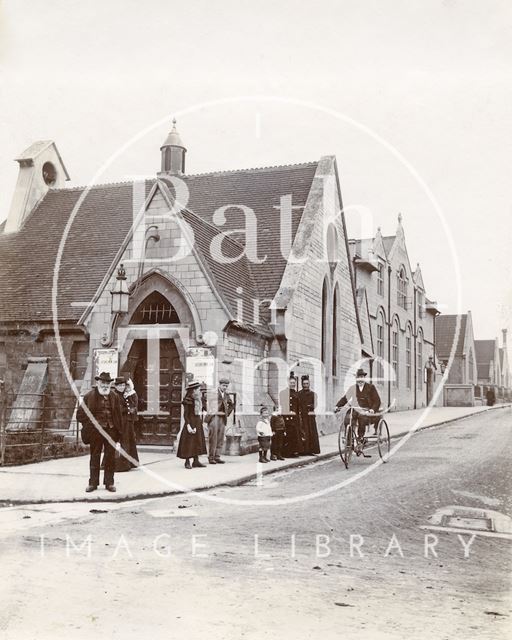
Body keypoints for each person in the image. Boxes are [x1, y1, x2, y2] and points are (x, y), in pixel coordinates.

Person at [77, 371, 123, 493]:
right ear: (98, 382)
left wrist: (119, 431)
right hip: (95, 432)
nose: (105, 385)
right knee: (95, 456)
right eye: (102, 382)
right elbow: (80, 415)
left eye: (107, 383)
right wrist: (90, 426)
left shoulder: (115, 397)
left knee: (110, 458)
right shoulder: (89, 396)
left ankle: (109, 483)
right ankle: (93, 483)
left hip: (111, 431)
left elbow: (118, 415)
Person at [335, 368, 381, 446]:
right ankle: (349, 440)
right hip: (355, 409)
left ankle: (360, 438)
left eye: (361, 378)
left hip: (366, 409)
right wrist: (337, 406)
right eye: (358, 378)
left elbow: (377, 401)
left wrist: (372, 409)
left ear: (364, 378)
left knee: (362, 417)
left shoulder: (370, 387)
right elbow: (345, 398)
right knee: (348, 418)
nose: (360, 380)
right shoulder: (353, 388)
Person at [177, 381, 207, 469]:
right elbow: (186, 415)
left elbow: (203, 408)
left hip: (197, 421)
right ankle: (187, 462)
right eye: (198, 389)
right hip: (190, 421)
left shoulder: (199, 399)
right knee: (189, 442)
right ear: (193, 390)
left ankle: (196, 461)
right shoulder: (188, 400)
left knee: (197, 441)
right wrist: (188, 425)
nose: (199, 391)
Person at [112, 377, 139, 472]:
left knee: (127, 441)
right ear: (116, 386)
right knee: (122, 442)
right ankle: (120, 465)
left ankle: (129, 463)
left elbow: (132, 402)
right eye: (120, 385)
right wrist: (128, 410)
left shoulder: (123, 394)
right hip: (119, 422)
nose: (122, 387)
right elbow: (116, 409)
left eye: (123, 385)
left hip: (126, 422)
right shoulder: (114, 395)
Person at [205, 377, 234, 464]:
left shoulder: (226, 394)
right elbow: (204, 401)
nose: (225, 387)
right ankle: (211, 457)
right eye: (223, 385)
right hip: (214, 417)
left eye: (226, 386)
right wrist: (209, 410)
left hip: (222, 418)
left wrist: (227, 413)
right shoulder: (213, 392)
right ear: (219, 385)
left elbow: (232, 405)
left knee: (220, 438)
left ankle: (217, 456)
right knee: (213, 438)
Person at [280, 372, 303, 457]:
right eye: (291, 383)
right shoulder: (283, 393)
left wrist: (297, 415)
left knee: (295, 434)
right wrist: (288, 413)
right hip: (287, 416)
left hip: (295, 417)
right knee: (288, 434)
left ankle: (294, 451)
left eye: (294, 383)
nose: (292, 384)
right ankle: (286, 452)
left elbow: (298, 406)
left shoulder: (296, 394)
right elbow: (283, 404)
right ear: (288, 383)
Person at [298, 375, 321, 455]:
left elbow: (315, 404)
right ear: (302, 384)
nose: (305, 385)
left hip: (310, 416)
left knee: (311, 433)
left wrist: (310, 406)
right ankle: (304, 450)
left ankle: (311, 450)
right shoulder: (299, 394)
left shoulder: (313, 394)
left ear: (309, 384)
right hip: (303, 416)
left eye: (307, 384)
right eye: (304, 384)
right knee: (304, 432)